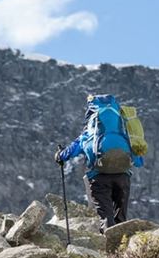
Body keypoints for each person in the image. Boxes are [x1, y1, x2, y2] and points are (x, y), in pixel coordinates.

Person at [54, 94, 144, 234]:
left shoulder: (90, 132)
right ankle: (123, 247)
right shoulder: (123, 130)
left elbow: (71, 151)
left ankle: (110, 249)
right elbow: (138, 161)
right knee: (121, 216)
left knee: (106, 216)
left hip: (99, 177)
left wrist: (60, 155)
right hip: (123, 176)